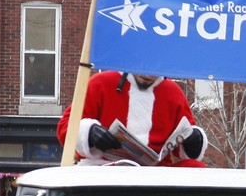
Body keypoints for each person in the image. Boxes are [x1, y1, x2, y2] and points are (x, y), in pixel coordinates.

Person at [56, 70, 208, 167]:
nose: (148, 74)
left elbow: (183, 145)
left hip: (158, 175)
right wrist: (89, 133)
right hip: (105, 169)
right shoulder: (101, 83)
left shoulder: (173, 93)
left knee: (196, 169)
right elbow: (66, 125)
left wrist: (195, 140)